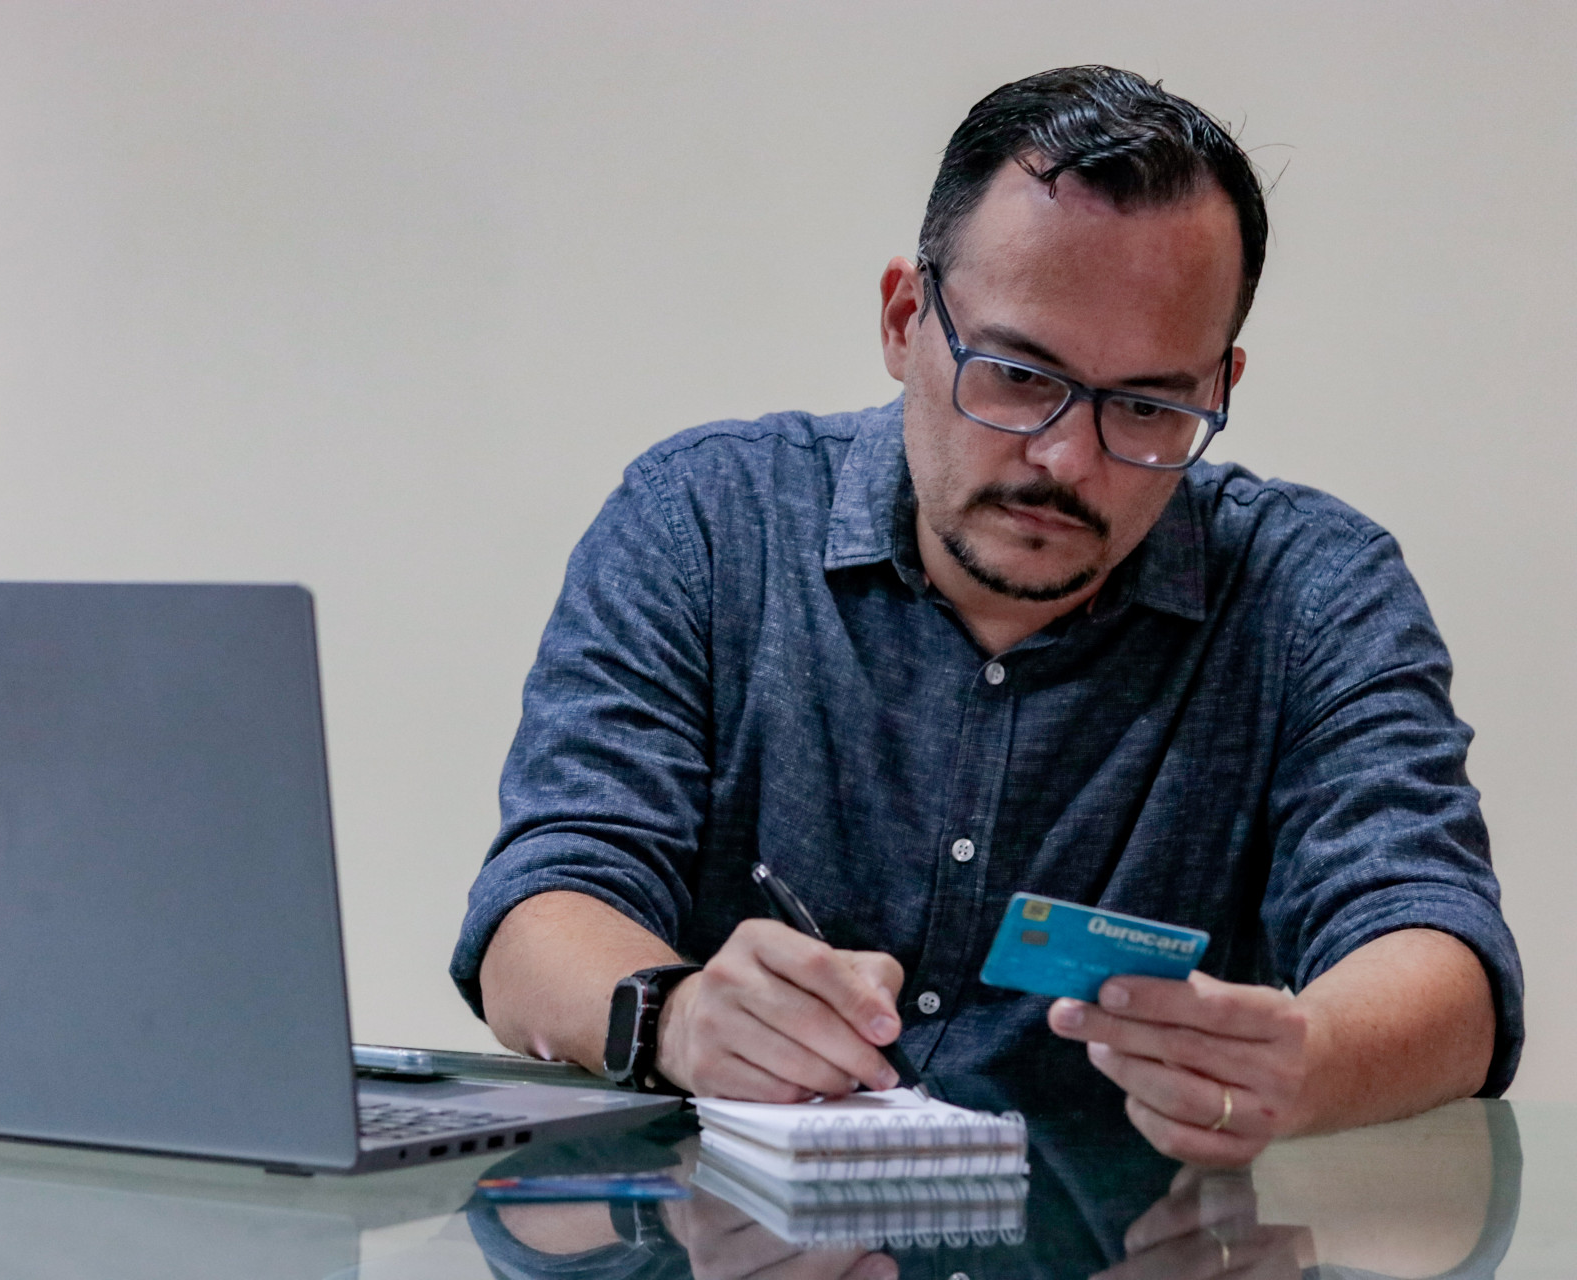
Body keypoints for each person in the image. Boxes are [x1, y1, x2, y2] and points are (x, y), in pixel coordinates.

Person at [449, 65, 1524, 1166]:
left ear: (1222, 384)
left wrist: (1306, 1053)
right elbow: (544, 902)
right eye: (1018, 373)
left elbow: (1441, 952)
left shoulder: (1313, 593)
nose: (1066, 459)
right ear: (905, 318)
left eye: (1149, 406)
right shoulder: (706, 522)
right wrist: (676, 1015)